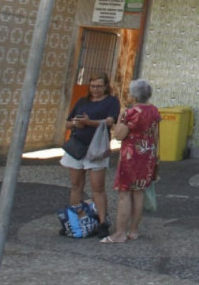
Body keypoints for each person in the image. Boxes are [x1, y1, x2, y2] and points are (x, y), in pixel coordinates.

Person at [101, 79, 160, 244]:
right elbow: (156, 136)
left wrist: (120, 119)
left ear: (134, 95)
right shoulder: (154, 110)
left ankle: (119, 233)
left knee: (124, 193)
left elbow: (119, 135)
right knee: (139, 192)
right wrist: (155, 158)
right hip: (147, 154)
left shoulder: (131, 112)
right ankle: (133, 230)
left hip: (131, 155)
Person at [61, 72, 120, 235]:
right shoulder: (82, 101)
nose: (95, 89)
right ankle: (75, 220)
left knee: (98, 187)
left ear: (106, 86)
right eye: (93, 86)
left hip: (97, 147)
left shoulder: (111, 101)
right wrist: (76, 124)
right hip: (78, 146)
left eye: (99, 86)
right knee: (76, 185)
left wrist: (90, 123)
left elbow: (110, 121)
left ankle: (102, 222)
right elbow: (67, 122)